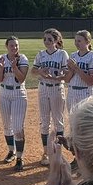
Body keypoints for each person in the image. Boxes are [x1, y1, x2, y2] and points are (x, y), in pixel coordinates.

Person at [33, 29, 69, 166]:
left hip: (56, 88)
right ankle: (46, 152)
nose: (46, 42)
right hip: (43, 88)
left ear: (56, 40)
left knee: (58, 121)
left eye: (49, 39)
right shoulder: (41, 54)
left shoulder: (62, 54)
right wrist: (40, 71)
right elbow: (33, 71)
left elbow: (66, 74)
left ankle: (58, 153)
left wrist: (57, 77)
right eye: (45, 39)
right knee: (44, 121)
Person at [0, 36, 30, 171]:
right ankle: (11, 151)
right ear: (6, 47)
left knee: (17, 127)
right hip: (3, 93)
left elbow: (21, 79)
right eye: (11, 46)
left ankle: (20, 158)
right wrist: (1, 68)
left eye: (16, 45)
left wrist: (14, 67)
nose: (14, 48)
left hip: (18, 94)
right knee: (6, 125)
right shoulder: (1, 58)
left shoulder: (23, 59)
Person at [64, 30, 93, 114]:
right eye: (75, 41)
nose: (76, 43)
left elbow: (90, 82)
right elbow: (67, 80)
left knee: (86, 122)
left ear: (88, 41)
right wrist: (71, 70)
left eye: (79, 41)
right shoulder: (73, 55)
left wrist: (76, 68)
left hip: (86, 93)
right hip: (72, 92)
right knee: (73, 122)